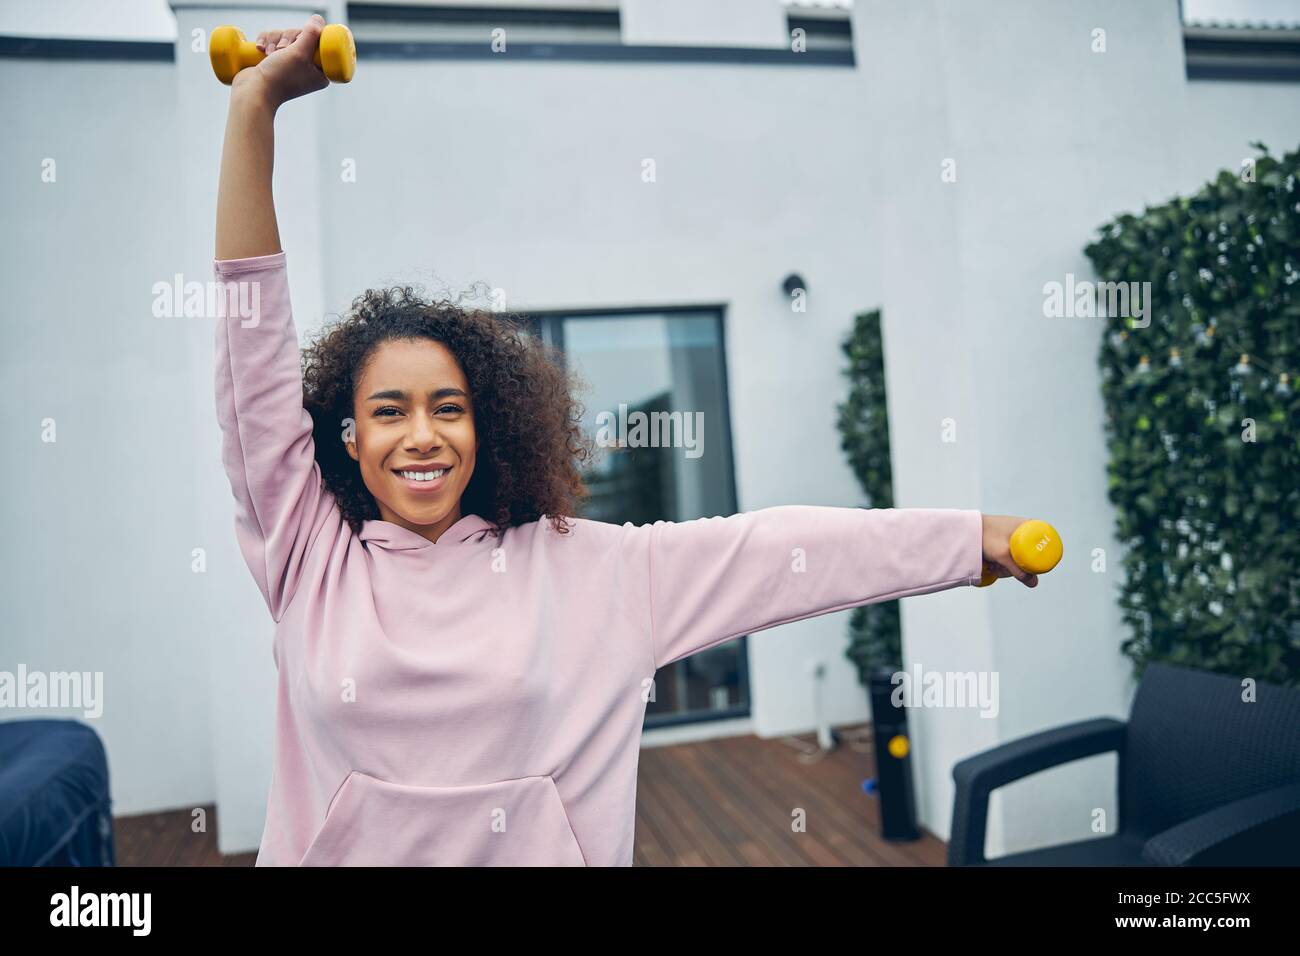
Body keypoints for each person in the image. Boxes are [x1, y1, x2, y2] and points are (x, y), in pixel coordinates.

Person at [213, 15, 1039, 866]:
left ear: (483, 427)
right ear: (347, 438)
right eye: (389, 411)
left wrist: (959, 539)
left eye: (447, 408)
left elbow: (772, 551)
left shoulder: (588, 571)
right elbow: (252, 371)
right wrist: (254, 109)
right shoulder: (307, 556)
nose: (421, 436)